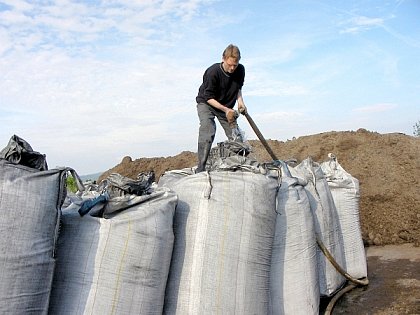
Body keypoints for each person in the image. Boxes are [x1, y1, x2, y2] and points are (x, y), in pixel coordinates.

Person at [195, 44, 248, 172]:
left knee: (237, 138)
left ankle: (239, 165)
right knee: (208, 130)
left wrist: (240, 102)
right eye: (229, 64)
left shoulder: (240, 70)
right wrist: (226, 110)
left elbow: (238, 88)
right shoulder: (213, 72)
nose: (232, 68)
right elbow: (208, 97)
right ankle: (201, 168)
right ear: (223, 58)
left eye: (235, 65)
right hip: (207, 103)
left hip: (226, 107)